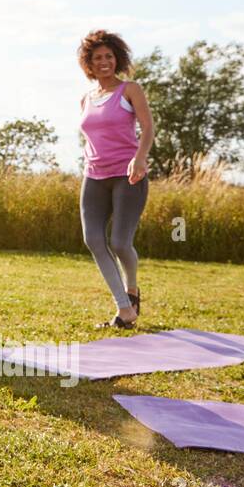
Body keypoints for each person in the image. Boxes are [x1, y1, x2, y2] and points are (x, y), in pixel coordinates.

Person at [77, 29, 155, 328]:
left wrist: (140, 158)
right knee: (93, 239)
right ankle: (124, 309)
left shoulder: (130, 90)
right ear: (89, 64)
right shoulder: (86, 98)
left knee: (121, 242)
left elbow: (147, 128)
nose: (104, 62)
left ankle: (132, 289)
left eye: (109, 56)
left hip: (127, 175)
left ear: (117, 59)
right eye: (97, 58)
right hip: (94, 176)